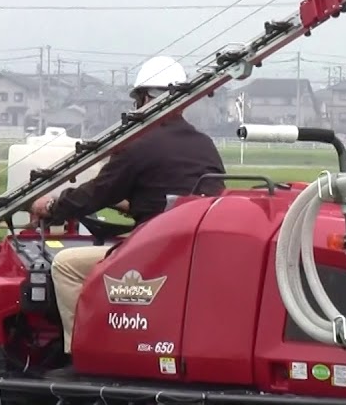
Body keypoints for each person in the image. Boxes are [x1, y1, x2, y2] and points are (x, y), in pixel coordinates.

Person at [30, 55, 226, 361]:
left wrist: (52, 206)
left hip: (155, 254)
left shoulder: (138, 144)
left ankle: (79, 354)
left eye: (138, 99)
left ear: (146, 97)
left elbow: (95, 193)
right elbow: (172, 194)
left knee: (65, 265)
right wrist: (130, 203)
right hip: (194, 252)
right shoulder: (204, 145)